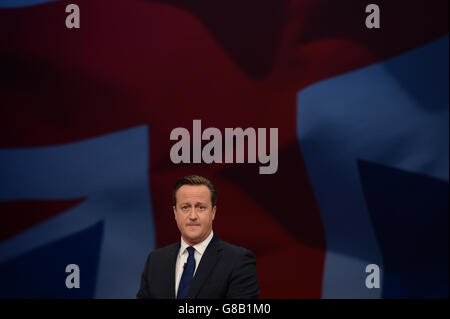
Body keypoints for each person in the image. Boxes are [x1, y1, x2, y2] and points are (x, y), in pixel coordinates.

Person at [137, 175, 259, 299]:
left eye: (201, 207)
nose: (193, 216)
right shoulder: (156, 261)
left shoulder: (238, 261)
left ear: (213, 212)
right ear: (175, 213)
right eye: (185, 207)